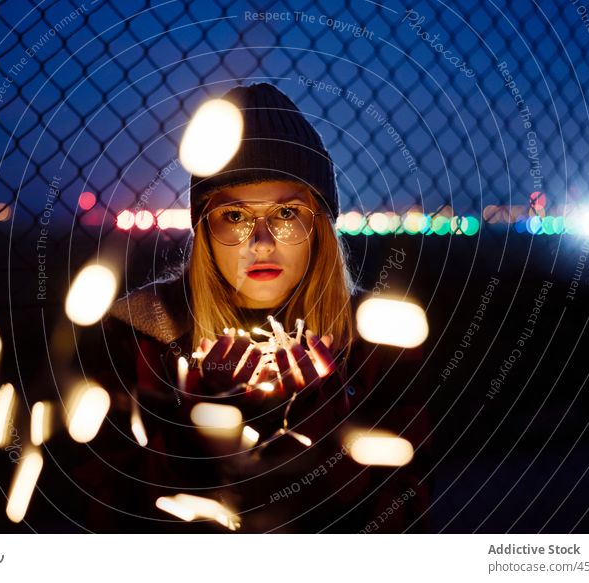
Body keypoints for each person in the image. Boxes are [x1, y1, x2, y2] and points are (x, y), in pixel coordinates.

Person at [70, 83, 430, 533]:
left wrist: (314, 433)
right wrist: (199, 432)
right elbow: (100, 514)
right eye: (235, 216)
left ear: (320, 226)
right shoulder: (138, 334)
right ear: (203, 229)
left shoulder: (376, 341)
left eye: (286, 213)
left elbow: (409, 516)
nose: (261, 243)